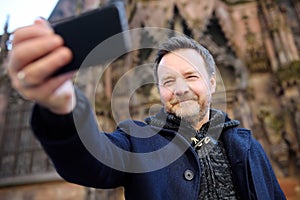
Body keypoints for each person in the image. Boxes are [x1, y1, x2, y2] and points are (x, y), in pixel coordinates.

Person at [7, 18, 286, 200]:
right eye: (168, 81)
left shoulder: (249, 147)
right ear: (159, 91)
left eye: (190, 77)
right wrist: (62, 105)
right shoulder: (138, 142)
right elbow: (90, 159)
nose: (180, 89)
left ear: (212, 83)